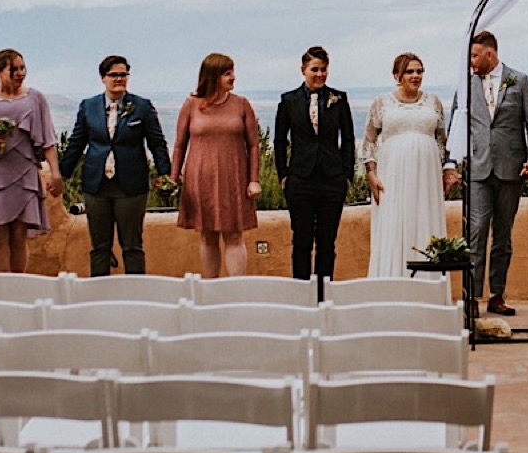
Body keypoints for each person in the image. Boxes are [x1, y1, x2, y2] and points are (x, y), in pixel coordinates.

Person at [60, 55, 172, 278]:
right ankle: (99, 298)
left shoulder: (142, 107)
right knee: (100, 247)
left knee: (131, 245)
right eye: (114, 75)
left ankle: (135, 296)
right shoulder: (88, 106)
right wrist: (61, 174)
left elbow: (157, 143)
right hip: (97, 185)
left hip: (131, 186)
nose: (119, 79)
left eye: (123, 74)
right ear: (103, 78)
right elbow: (76, 143)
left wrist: (165, 175)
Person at [465, 31, 528, 317]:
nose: (470, 61)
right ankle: (471, 296)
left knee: (503, 236)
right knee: (475, 232)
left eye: (474, 55)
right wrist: (451, 163)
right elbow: (458, 124)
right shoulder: (466, 83)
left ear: (490, 54)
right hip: (478, 168)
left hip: (511, 169)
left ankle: (497, 295)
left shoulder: (519, 81)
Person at [0, 48, 64, 274]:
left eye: (22, 68)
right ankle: (3, 290)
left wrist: (55, 173)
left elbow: (48, 139)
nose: (20, 73)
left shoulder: (36, 98)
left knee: (19, 235)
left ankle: (19, 287)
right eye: (14, 69)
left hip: (25, 173)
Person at [365, 52, 457, 279]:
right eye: (409, 71)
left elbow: (443, 140)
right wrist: (371, 173)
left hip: (426, 174)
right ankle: (392, 282)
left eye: (419, 71)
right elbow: (369, 141)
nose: (415, 76)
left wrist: (448, 169)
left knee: (424, 219)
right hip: (392, 173)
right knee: (394, 224)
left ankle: (428, 284)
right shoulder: (381, 103)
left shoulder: (433, 102)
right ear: (397, 75)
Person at [274, 47, 356, 290]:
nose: (320, 74)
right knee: (301, 240)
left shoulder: (339, 99)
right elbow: (280, 140)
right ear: (303, 70)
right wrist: (283, 175)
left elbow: (348, 139)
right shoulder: (288, 100)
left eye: (323, 69)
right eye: (315, 69)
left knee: (326, 242)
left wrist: (347, 175)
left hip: (332, 180)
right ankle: (300, 292)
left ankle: (324, 292)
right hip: (300, 180)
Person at [175, 53, 261, 279]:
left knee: (234, 236)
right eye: (227, 73)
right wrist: (172, 179)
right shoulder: (191, 105)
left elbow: (253, 145)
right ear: (212, 76)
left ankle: (236, 290)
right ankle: (210, 288)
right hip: (200, 179)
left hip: (234, 178)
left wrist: (254, 179)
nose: (233, 77)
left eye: (232, 72)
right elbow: (179, 145)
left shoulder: (242, 104)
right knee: (207, 235)